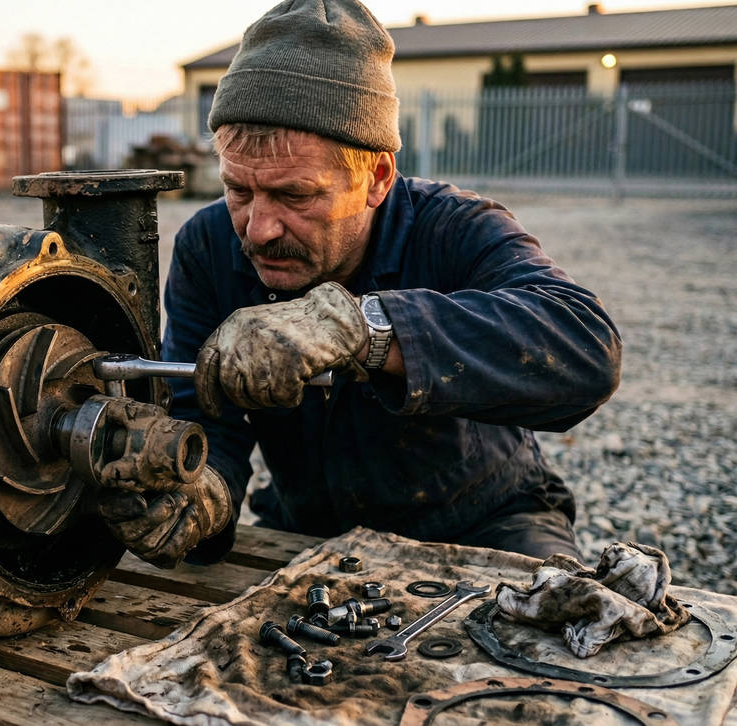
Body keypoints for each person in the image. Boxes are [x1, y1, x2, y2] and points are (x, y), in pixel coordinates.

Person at [97, 0, 621, 567]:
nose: (259, 229)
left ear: (376, 177)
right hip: (313, 528)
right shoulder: (208, 245)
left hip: (486, 520)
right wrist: (201, 497)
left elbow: (586, 350)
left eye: (296, 195)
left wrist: (366, 328)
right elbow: (202, 415)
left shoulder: (454, 227)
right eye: (239, 191)